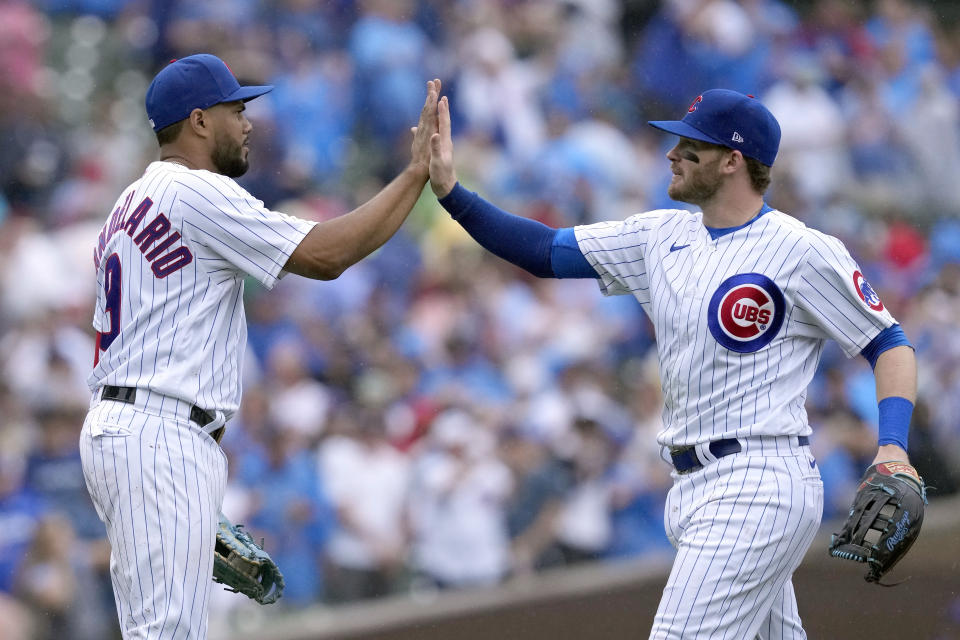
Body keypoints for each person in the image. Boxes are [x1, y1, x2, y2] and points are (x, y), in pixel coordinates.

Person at [427, 89, 917, 638]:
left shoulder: (801, 250)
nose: (673, 153)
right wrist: (451, 191)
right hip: (691, 486)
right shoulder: (659, 235)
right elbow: (543, 251)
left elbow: (888, 343)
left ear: (733, 161)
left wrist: (893, 445)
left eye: (692, 145)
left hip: (758, 480)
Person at [78, 53, 439, 638]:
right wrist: (413, 175)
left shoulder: (129, 204)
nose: (248, 123)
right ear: (198, 121)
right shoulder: (196, 191)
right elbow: (325, 256)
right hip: (158, 433)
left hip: (138, 427)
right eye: (236, 109)